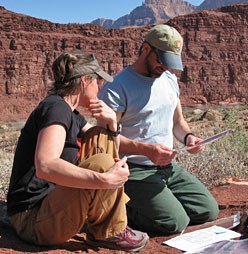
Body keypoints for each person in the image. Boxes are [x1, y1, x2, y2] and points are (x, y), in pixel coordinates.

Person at [7, 52, 149, 252]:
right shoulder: (56, 108)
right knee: (101, 162)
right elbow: (45, 165)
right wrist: (105, 180)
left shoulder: (70, 113)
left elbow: (105, 142)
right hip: (32, 220)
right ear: (84, 80)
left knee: (100, 135)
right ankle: (108, 230)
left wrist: (112, 122)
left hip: (50, 207)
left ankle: (106, 226)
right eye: (98, 81)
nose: (100, 87)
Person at [98, 24, 220, 235]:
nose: (165, 67)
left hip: (166, 167)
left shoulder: (170, 80)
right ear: (145, 49)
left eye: (170, 63)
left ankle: (157, 204)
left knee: (207, 210)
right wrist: (147, 150)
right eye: (162, 61)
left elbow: (177, 122)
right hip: (133, 169)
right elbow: (105, 139)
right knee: (174, 222)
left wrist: (189, 138)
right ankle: (120, 206)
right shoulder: (117, 87)